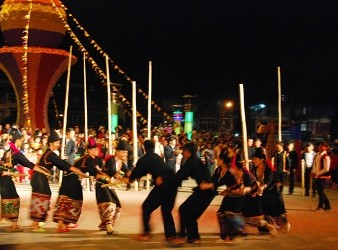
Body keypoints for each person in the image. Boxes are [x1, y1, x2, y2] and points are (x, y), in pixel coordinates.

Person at [129, 140, 184, 247]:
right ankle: (172, 237)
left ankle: (146, 233)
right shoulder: (157, 157)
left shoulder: (145, 159)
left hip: (163, 184)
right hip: (173, 183)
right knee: (166, 210)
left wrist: (130, 178)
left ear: (144, 148)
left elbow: (137, 172)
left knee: (146, 207)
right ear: (154, 148)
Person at [30, 130, 87, 232]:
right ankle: (35, 224)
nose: (59, 145)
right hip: (39, 176)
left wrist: (73, 172)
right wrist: (77, 170)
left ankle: (38, 222)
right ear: (51, 143)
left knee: (46, 196)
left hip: (40, 177)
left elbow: (60, 166)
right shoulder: (50, 154)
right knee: (42, 198)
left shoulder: (50, 153)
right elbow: (62, 163)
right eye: (57, 143)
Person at [0, 129, 49, 232]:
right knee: (14, 200)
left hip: (3, 178)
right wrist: (43, 171)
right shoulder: (17, 153)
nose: (22, 141)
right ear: (18, 140)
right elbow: (29, 164)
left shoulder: (7, 152)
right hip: (6, 179)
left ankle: (10, 222)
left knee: (7, 200)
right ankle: (13, 226)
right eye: (21, 140)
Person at [200, 147, 251, 244]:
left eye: (218, 159)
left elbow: (220, 182)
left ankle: (241, 230)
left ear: (222, 160)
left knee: (230, 214)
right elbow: (214, 180)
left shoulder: (230, 171)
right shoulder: (219, 170)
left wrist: (208, 186)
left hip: (238, 196)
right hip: (230, 195)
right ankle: (226, 237)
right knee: (221, 213)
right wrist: (207, 185)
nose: (216, 160)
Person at [53, 138, 98, 232]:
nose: (95, 151)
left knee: (68, 201)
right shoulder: (89, 158)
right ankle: (62, 224)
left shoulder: (85, 158)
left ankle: (64, 223)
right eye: (93, 149)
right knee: (73, 200)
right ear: (89, 150)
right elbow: (93, 172)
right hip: (72, 179)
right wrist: (103, 177)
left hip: (69, 178)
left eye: (96, 149)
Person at [175, 141, 215, 245]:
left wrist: (168, 179)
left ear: (187, 151)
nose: (182, 153)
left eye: (183, 151)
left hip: (205, 191)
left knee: (184, 209)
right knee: (189, 213)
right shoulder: (195, 160)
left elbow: (181, 174)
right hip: (205, 191)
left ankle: (184, 236)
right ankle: (193, 237)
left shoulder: (191, 161)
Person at [95, 140, 131, 234]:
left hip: (110, 185)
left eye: (126, 152)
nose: (125, 154)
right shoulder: (110, 159)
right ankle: (109, 228)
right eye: (123, 152)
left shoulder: (121, 162)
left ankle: (106, 225)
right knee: (109, 204)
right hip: (102, 184)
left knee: (117, 206)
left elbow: (127, 171)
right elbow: (113, 172)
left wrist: (134, 176)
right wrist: (123, 180)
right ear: (117, 152)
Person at [252, 147, 290, 234]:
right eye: (253, 159)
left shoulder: (268, 168)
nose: (253, 161)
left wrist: (263, 187)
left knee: (275, 212)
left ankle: (285, 223)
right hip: (263, 192)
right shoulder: (254, 168)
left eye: (255, 159)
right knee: (262, 211)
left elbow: (269, 181)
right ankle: (264, 229)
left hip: (272, 192)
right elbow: (255, 180)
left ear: (261, 159)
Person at [311, 141, 332, 212]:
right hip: (317, 176)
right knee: (320, 191)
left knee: (320, 192)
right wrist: (313, 172)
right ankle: (328, 206)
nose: (319, 147)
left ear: (325, 147)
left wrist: (316, 173)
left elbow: (326, 168)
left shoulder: (326, 156)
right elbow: (315, 165)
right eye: (319, 146)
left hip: (322, 177)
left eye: (321, 146)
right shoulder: (317, 155)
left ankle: (320, 206)